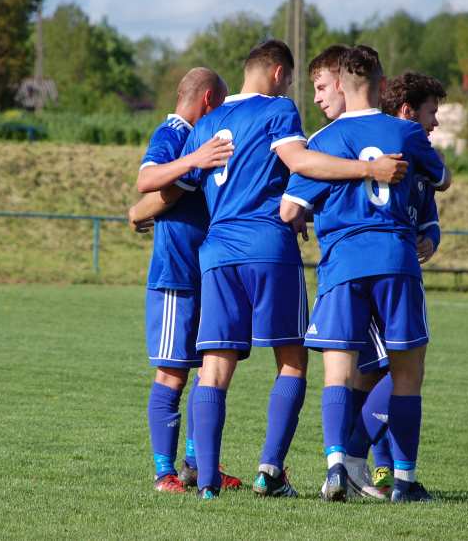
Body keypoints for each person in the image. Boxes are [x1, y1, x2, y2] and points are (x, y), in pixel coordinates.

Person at [166, 40, 408, 500]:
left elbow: (173, 186)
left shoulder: (209, 122)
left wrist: (141, 210)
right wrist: (367, 169)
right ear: (279, 73)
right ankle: (270, 470)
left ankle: (209, 484)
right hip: (268, 247)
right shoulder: (279, 110)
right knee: (293, 360)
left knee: (214, 367)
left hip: (216, 253)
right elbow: (299, 162)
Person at [281, 45, 451, 503]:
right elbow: (442, 178)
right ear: (380, 83)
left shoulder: (322, 142)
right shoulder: (405, 131)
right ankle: (404, 481)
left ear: (342, 84)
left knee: (338, 373)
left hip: (341, 264)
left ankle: (337, 468)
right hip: (395, 260)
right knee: (407, 374)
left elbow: (290, 208)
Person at [126, 67, 243, 494]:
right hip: (176, 274)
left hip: (205, 272)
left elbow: (165, 196)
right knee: (172, 373)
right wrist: (193, 162)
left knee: (204, 373)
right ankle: (163, 473)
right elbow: (147, 180)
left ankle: (196, 466)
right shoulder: (174, 130)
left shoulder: (199, 139)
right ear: (209, 99)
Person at [343, 70, 449, 495]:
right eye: (431, 113)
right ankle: (352, 460)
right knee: (395, 370)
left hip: (395, 268)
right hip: (377, 272)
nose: (435, 123)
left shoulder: (415, 165)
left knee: (379, 375)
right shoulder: (388, 150)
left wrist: (431, 237)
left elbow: (429, 216)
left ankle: (383, 476)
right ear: (408, 111)